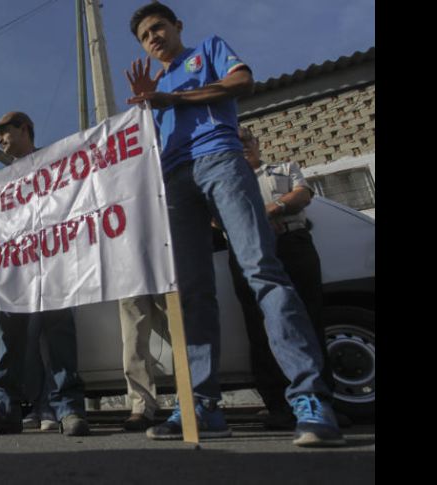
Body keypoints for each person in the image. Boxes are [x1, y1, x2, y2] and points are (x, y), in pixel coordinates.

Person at [125, 2, 344, 446]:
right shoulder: (152, 88)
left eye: (158, 28)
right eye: (145, 36)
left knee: (261, 270)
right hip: (175, 181)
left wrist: (175, 98)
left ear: (176, 26)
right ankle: (203, 406)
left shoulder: (206, 51)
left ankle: (309, 397)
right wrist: (148, 109)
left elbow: (242, 81)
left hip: (220, 160)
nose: (153, 38)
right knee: (192, 295)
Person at [0, 111, 89, 437]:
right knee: (9, 336)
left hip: (52, 263)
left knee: (59, 332)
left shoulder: (54, 163)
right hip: (13, 269)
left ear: (25, 129)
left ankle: (69, 409)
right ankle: (4, 409)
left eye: (4, 132)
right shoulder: (2, 180)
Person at [229, 126, 344, 429]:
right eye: (235, 142)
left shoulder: (284, 168)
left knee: (308, 318)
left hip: (293, 245)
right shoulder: (227, 182)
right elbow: (217, 219)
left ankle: (323, 401)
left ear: (257, 143)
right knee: (259, 325)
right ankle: (277, 406)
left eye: (246, 140)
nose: (242, 146)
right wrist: (255, 224)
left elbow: (301, 194)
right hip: (248, 249)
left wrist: (273, 209)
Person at [118, 294, 168, 431]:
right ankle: (141, 404)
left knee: (179, 323)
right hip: (131, 273)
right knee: (132, 333)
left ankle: (189, 402)